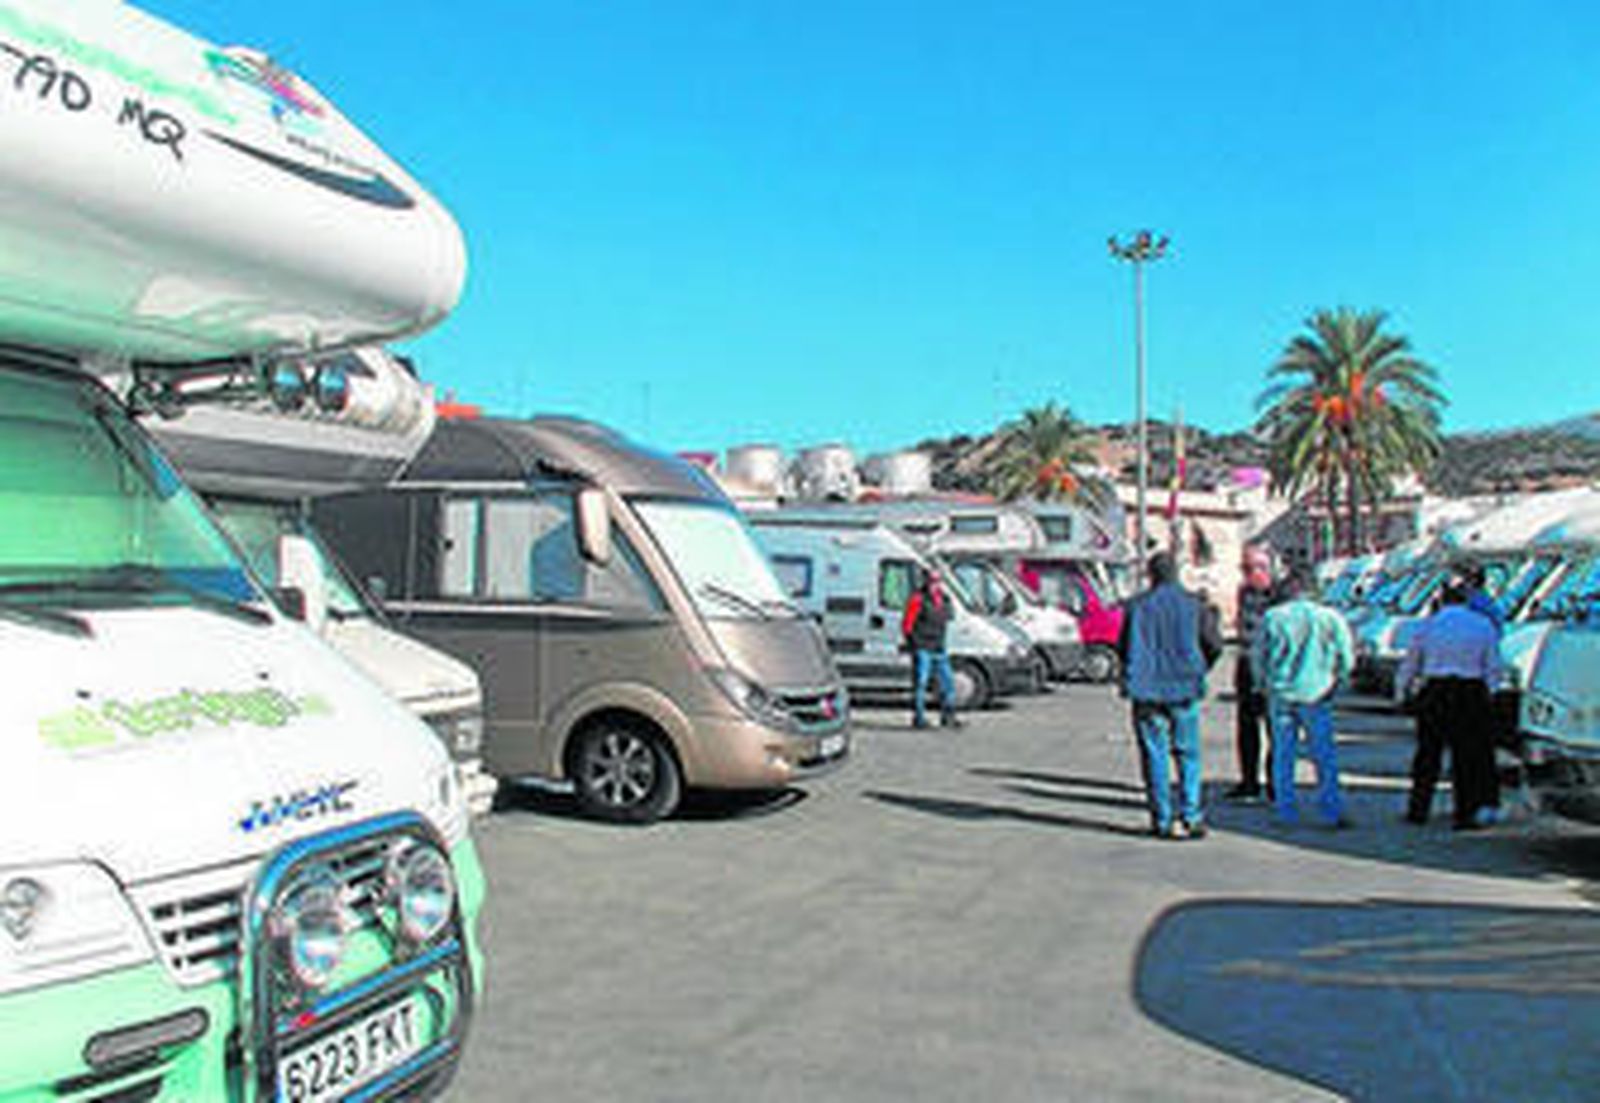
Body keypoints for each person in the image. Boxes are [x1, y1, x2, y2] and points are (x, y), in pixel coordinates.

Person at [1117, 552, 1222, 840]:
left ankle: (1161, 818)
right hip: (1184, 686)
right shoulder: (1194, 605)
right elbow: (1214, 644)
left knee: (1155, 754)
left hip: (1146, 689)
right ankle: (1191, 815)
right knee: (1188, 753)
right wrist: (1200, 667)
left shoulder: (1136, 606)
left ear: (1151, 575)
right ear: (1176, 573)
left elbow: (1123, 648)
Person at [1252, 565, 1355, 828]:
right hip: (1317, 693)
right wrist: (1337, 681)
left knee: (1283, 755)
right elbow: (1347, 656)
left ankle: (1285, 811)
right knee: (1324, 755)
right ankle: (1331, 810)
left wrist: (1262, 685)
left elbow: (1258, 657)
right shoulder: (1330, 617)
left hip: (1281, 692)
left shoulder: (1272, 617)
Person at [1395, 578, 1502, 829]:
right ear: (1466, 599)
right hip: (1470, 691)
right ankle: (1465, 813)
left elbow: (1411, 663)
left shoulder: (1428, 625)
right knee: (1467, 757)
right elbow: (1493, 667)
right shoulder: (1483, 625)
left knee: (1427, 755)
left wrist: (1401, 691)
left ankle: (1418, 809)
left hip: (1436, 689)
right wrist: (1491, 695)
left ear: (1441, 599)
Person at [1227, 546, 1277, 801]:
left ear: (1268, 568)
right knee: (1247, 728)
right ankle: (1249, 782)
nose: (1247, 574)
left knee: (1275, 729)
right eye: (1244, 568)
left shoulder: (1278, 595)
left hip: (1271, 670)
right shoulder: (1244, 592)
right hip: (1247, 667)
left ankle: (1274, 783)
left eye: (1252, 568)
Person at [902, 569, 961, 730]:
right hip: (923, 647)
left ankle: (948, 716)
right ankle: (919, 717)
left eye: (938, 581)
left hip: (939, 647)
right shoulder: (917, 599)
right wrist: (914, 644)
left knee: (948, 682)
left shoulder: (944, 599)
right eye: (932, 581)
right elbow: (907, 625)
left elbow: (950, 616)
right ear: (926, 581)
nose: (935, 584)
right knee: (921, 683)